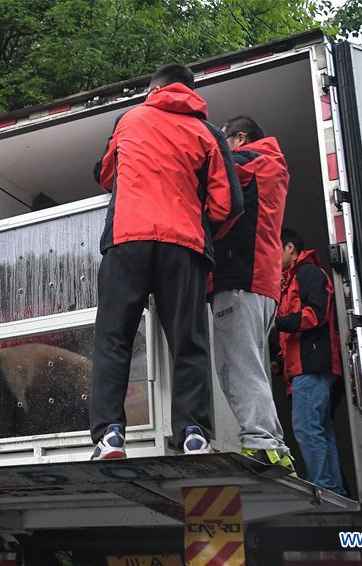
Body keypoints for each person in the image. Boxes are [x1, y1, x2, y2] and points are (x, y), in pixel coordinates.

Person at [89, 63, 242, 460]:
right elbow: (228, 204)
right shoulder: (208, 132)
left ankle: (110, 436)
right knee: (188, 342)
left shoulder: (129, 119)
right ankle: (193, 434)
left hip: (127, 241)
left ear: (154, 89)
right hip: (183, 245)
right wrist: (201, 230)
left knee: (114, 339)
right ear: (190, 92)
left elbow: (106, 174)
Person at [212, 116, 293, 471]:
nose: (221, 147)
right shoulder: (270, 164)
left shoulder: (249, 161)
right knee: (252, 367)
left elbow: (208, 174)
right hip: (261, 283)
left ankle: (261, 442)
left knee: (237, 367)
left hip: (241, 279)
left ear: (240, 138)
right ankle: (274, 446)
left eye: (224, 139)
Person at [275, 228, 347, 494]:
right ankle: (333, 488)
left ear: (289, 248)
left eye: (274, 249)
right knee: (319, 429)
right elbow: (291, 339)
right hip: (304, 367)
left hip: (312, 366)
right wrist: (279, 363)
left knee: (306, 427)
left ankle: (323, 486)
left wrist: (277, 322)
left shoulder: (308, 273)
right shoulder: (290, 280)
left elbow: (315, 314)